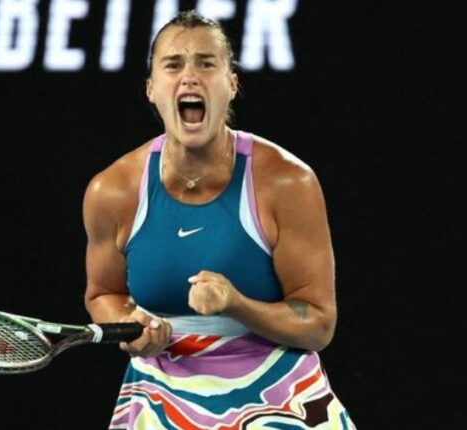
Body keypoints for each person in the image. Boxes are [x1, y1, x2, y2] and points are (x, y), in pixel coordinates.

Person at [83, 10, 356, 429]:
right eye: (173, 65)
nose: (189, 78)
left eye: (206, 64)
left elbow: (318, 326)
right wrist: (131, 326)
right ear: (151, 89)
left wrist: (236, 303)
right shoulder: (112, 191)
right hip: (159, 394)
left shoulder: (287, 183)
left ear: (231, 84)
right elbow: (103, 294)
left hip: (280, 394)